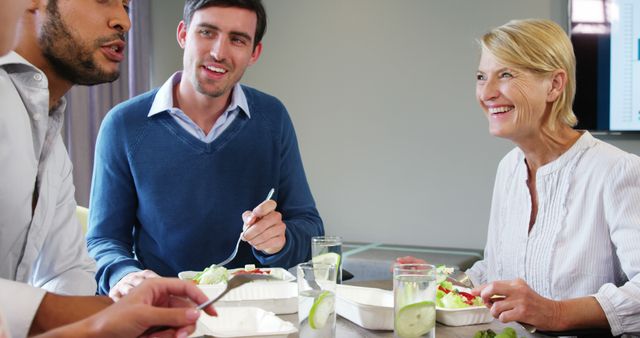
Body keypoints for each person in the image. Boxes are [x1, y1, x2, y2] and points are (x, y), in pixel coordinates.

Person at [402, 19, 640, 336]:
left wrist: (556, 313)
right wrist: (441, 281)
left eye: (506, 75)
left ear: (555, 85)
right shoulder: (509, 168)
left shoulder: (618, 171)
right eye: (480, 77)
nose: (486, 93)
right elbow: (495, 271)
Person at [0, 1, 218, 338]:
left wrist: (126, 316)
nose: (124, 22)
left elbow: (66, 274)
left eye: (127, 6)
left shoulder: (51, 144)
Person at [87, 0, 323, 299]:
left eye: (237, 40)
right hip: (161, 309)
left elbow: (311, 226)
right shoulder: (123, 124)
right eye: (207, 33)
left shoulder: (272, 117)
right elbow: (103, 240)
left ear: (254, 53)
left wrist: (281, 241)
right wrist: (125, 275)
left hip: (254, 311)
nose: (219, 52)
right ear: (184, 34)